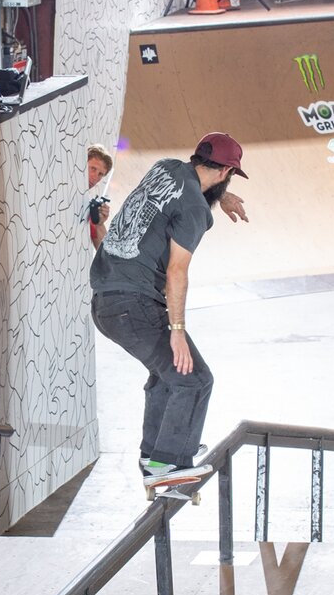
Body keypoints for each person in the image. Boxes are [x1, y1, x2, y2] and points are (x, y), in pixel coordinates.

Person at [89, 132, 249, 494]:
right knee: (194, 379)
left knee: (166, 373)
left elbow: (178, 195)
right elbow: (177, 271)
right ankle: (170, 464)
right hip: (134, 306)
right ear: (226, 172)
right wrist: (177, 330)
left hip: (106, 302)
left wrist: (221, 197)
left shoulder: (165, 168)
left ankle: (155, 455)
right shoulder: (194, 210)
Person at [88, 143, 113, 251]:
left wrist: (99, 223)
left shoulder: (87, 205)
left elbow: (105, 253)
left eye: (100, 174)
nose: (95, 177)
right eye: (93, 169)